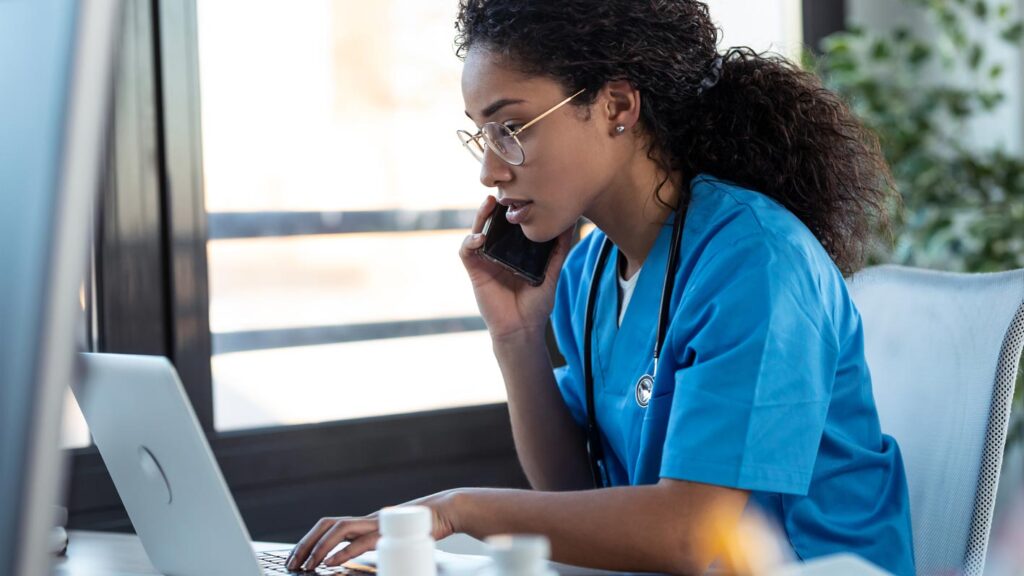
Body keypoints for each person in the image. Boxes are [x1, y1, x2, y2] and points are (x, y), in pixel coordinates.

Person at [287, 1, 915, 574]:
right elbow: (573, 497)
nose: (490, 170)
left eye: (513, 129)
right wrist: (517, 335)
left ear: (617, 107)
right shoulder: (588, 271)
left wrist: (460, 510)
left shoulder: (757, 262)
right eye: (483, 134)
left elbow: (692, 534)